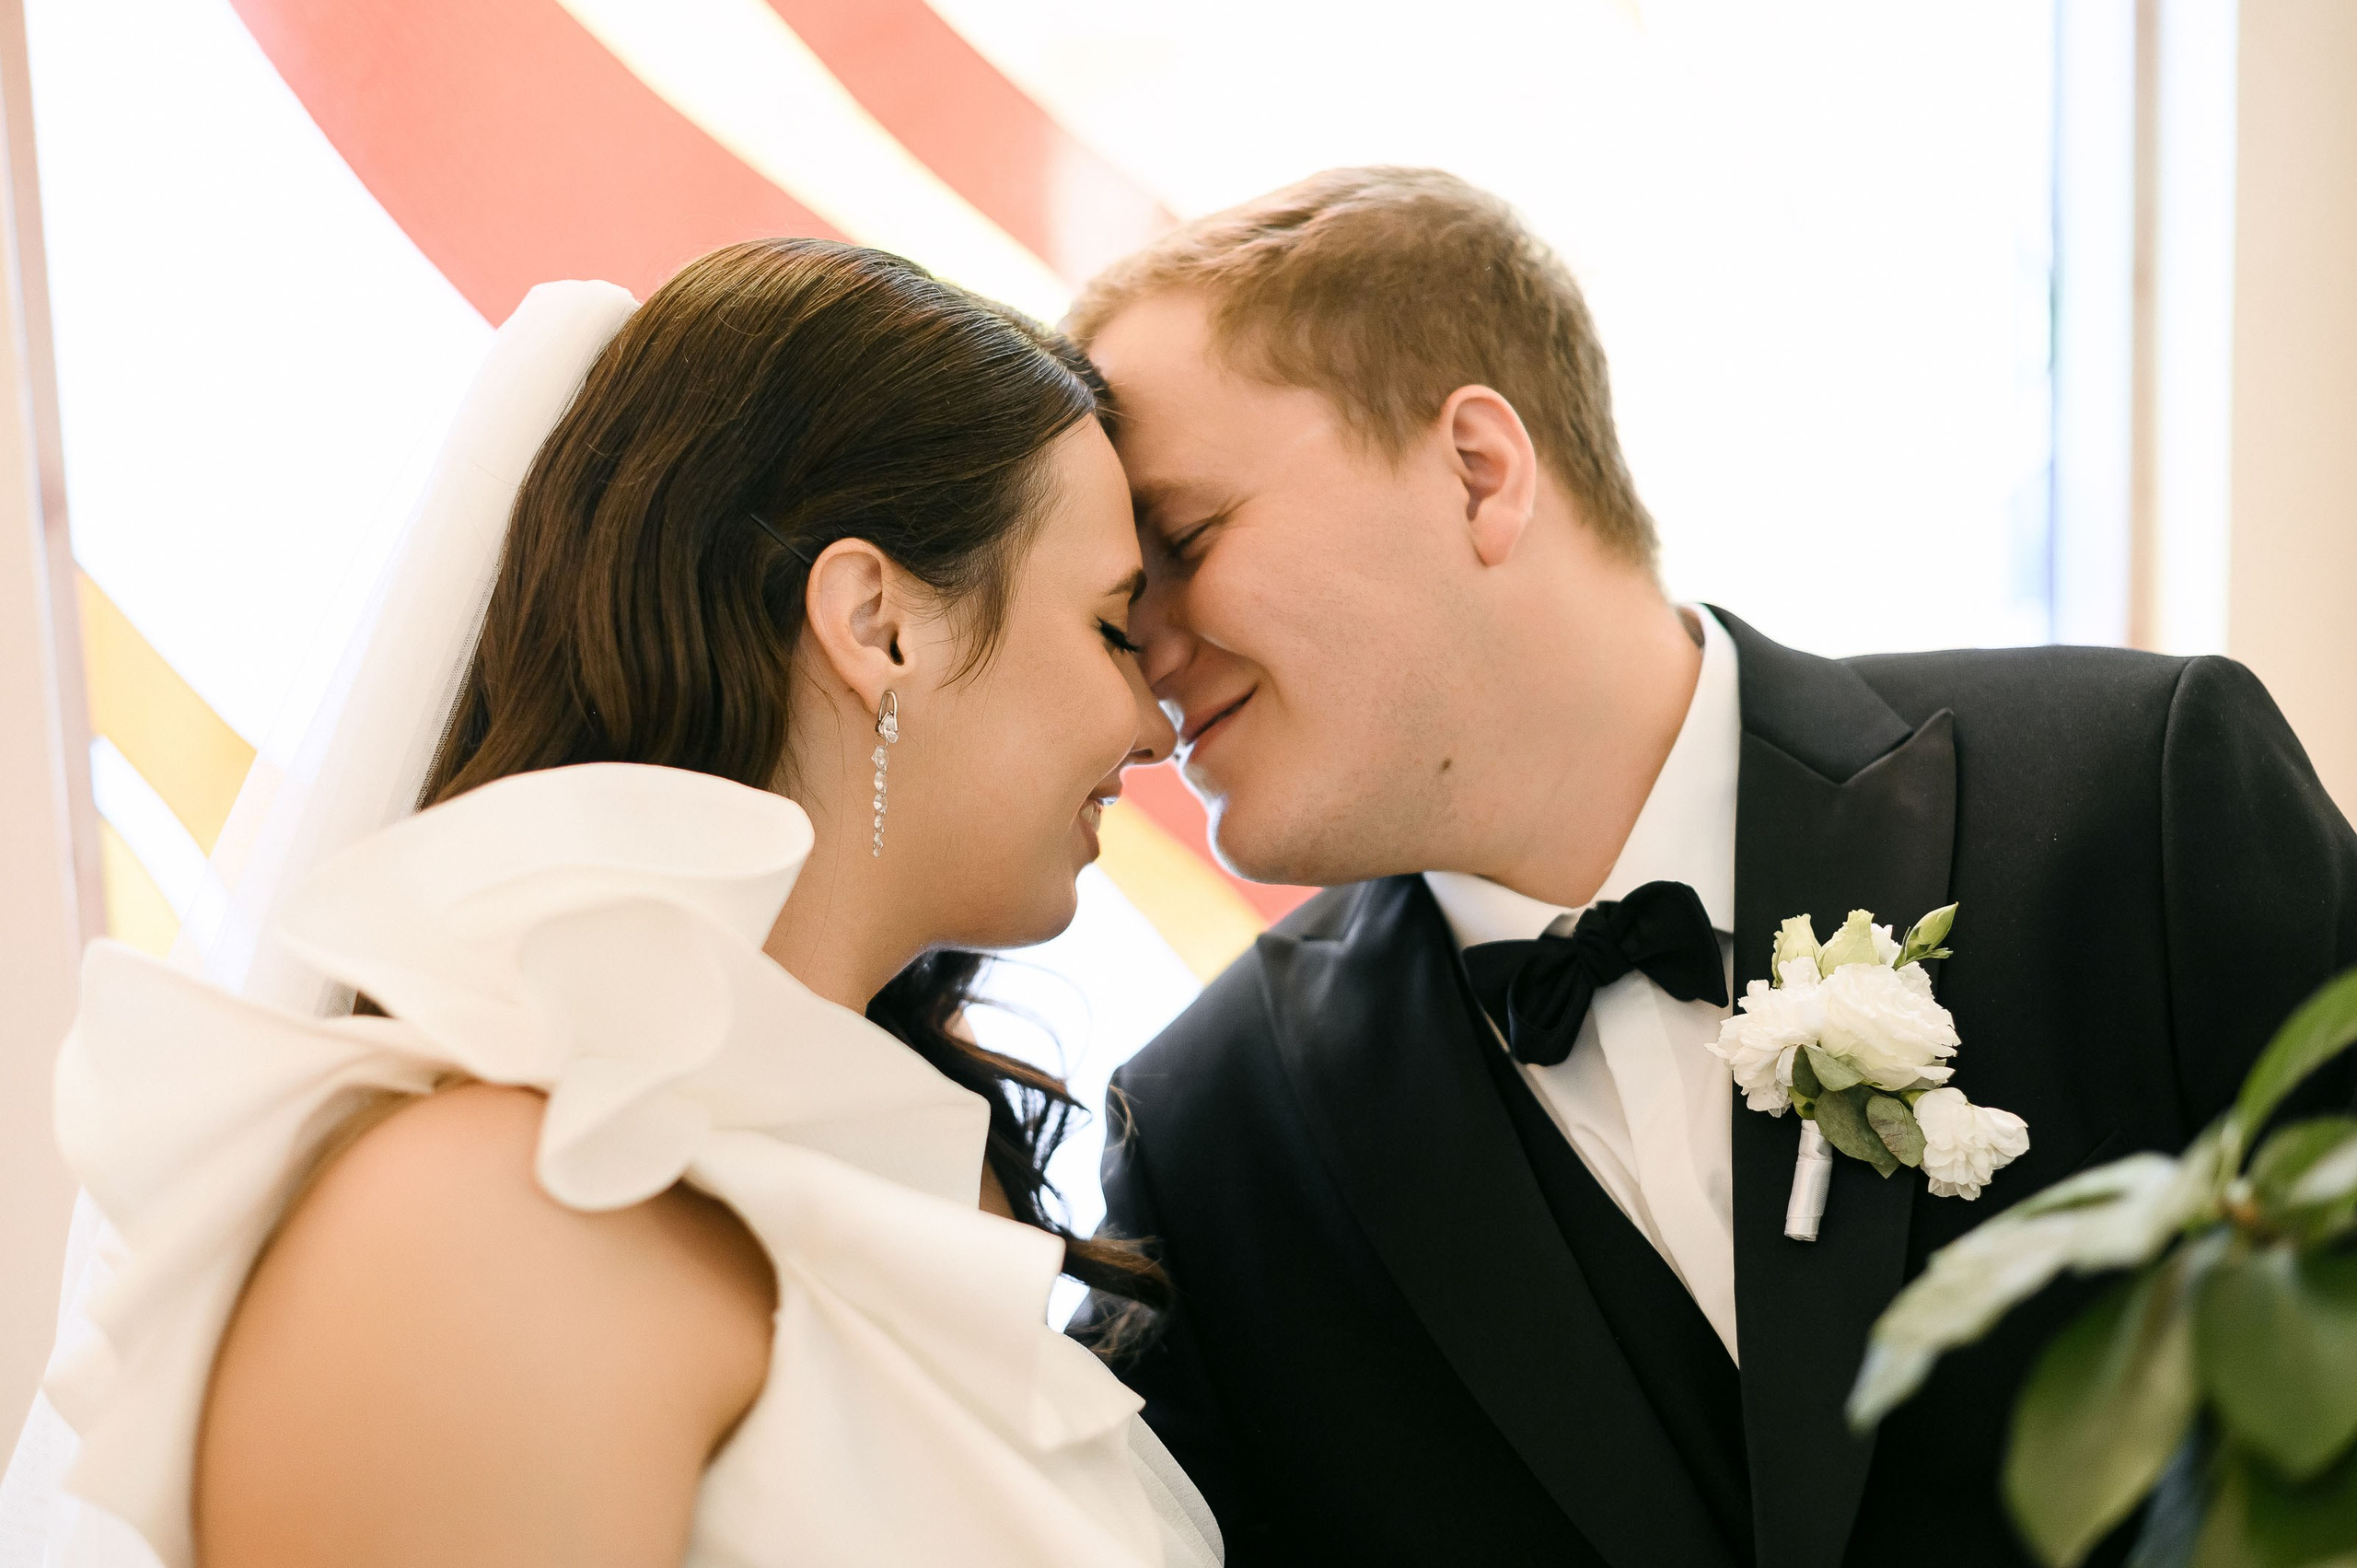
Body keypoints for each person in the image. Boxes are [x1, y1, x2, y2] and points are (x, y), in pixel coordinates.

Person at [1070, 167, 2357, 1568]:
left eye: (1182, 544)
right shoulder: (1208, 1141)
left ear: (1476, 473)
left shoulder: (2132, 802)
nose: (1147, 652)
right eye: (1120, 606)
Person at [34, 240, 1222, 1567]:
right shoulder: (498, 1216)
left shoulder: (945, 1188)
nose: (1150, 725)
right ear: (878, 623)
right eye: (1115, 629)